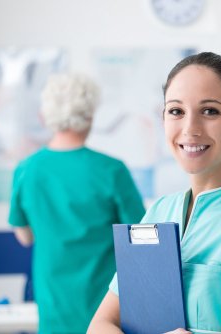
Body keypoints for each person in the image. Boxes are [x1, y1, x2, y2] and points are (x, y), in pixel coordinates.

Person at [88, 52, 221, 334]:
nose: (190, 128)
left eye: (210, 111)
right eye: (176, 111)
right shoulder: (158, 212)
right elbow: (101, 325)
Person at [9, 73, 146, 333]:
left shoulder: (26, 170)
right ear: (90, 117)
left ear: (46, 116)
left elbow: (25, 237)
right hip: (105, 311)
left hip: (53, 305)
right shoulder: (111, 170)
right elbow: (141, 237)